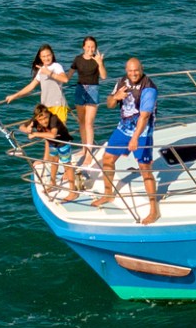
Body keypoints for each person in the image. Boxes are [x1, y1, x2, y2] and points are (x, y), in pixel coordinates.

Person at [94, 57, 161, 224]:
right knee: (107, 159)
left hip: (142, 132)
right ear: (126, 71)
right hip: (122, 129)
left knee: (145, 169)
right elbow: (109, 104)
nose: (133, 74)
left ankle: (154, 210)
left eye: (136, 70)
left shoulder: (149, 89)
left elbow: (144, 117)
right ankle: (108, 194)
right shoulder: (122, 81)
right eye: (130, 71)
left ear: (142, 68)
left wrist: (135, 138)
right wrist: (116, 96)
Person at [16, 104, 79, 200]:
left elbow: (53, 134)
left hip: (63, 142)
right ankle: (52, 183)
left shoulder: (53, 119)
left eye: (45, 118)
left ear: (48, 114)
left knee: (67, 165)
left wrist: (35, 134)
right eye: (40, 120)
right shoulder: (35, 120)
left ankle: (72, 191)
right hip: (52, 143)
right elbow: (21, 127)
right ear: (37, 118)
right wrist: (27, 129)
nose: (43, 121)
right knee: (53, 161)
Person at [1, 45, 69, 124]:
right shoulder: (41, 70)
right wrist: (14, 96)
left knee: (57, 134)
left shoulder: (56, 66)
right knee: (48, 134)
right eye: (43, 56)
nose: (46, 58)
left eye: (48, 55)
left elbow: (65, 79)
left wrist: (50, 73)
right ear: (40, 57)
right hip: (46, 106)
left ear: (52, 55)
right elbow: (31, 86)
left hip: (58, 105)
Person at [67, 36, 107, 150]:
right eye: (88, 46)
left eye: (93, 47)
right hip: (80, 90)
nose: (90, 49)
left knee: (89, 123)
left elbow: (103, 76)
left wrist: (100, 63)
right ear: (83, 47)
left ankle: (89, 153)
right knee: (82, 122)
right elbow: (68, 76)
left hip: (93, 90)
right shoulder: (77, 59)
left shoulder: (97, 59)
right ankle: (84, 149)